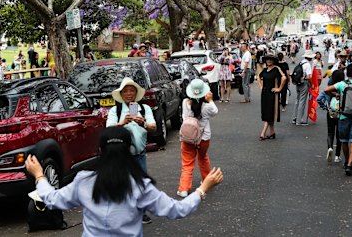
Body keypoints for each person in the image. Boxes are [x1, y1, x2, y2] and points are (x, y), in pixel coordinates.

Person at [25, 126, 223, 236]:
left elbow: (51, 199)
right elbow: (177, 210)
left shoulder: (83, 181)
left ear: (100, 151)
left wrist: (39, 175)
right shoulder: (140, 186)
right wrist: (203, 188)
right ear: (129, 150)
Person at [106, 77, 157, 224]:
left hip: (139, 154)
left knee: (141, 184)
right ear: (121, 94)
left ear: (136, 93)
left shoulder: (143, 108)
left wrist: (143, 123)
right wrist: (122, 123)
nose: (129, 94)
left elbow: (154, 127)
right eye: (126, 91)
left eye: (132, 91)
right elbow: (108, 131)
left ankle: (141, 213)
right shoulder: (116, 110)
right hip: (121, 155)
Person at [177, 79, 218, 197]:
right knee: (203, 157)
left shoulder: (185, 102)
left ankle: (184, 189)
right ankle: (206, 181)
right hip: (204, 138)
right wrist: (210, 100)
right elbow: (215, 111)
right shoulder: (207, 106)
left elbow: (184, 117)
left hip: (188, 137)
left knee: (187, 163)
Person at [258, 52, 286, 140]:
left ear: (274, 61)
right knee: (267, 112)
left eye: (271, 59)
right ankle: (272, 132)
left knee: (269, 113)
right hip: (265, 94)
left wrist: (279, 88)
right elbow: (258, 76)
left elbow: (284, 77)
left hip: (272, 94)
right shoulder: (265, 70)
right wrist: (260, 86)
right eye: (267, 59)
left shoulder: (276, 69)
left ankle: (263, 132)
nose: (269, 61)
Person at [321, 70, 345, 163]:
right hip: (341, 112)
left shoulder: (331, 86)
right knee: (339, 135)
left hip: (331, 111)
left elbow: (322, 95)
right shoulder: (343, 86)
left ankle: (330, 147)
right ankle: (337, 156)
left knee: (330, 132)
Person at [292, 50, 314, 126]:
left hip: (298, 83)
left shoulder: (301, 62)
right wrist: (311, 84)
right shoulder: (307, 64)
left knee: (297, 100)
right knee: (302, 102)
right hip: (304, 83)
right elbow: (308, 77)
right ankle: (299, 120)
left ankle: (294, 118)